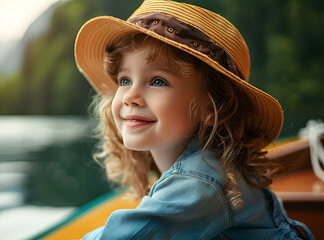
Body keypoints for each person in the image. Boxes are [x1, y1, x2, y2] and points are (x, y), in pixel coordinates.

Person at [74, 0, 315, 239]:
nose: (131, 97)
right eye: (125, 80)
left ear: (212, 107)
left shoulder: (203, 180)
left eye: (158, 81)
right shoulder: (201, 167)